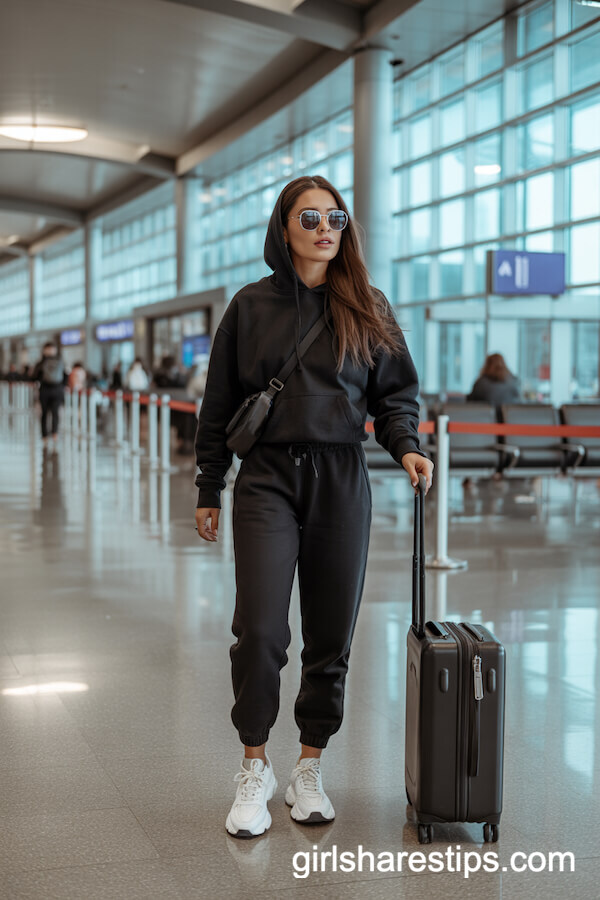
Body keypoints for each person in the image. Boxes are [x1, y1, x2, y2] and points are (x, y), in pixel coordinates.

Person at [194, 175, 434, 839]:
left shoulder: (368, 306)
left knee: (331, 635)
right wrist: (208, 486)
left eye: (336, 216)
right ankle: (253, 766)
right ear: (284, 227)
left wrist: (406, 446)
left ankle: (308, 765)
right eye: (310, 217)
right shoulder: (249, 306)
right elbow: (218, 406)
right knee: (263, 630)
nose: (326, 227)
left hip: (340, 478)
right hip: (267, 478)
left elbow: (394, 398)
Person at [32, 342, 66, 444]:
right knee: (50, 412)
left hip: (47, 390)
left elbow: (34, 377)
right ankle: (50, 434)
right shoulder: (58, 361)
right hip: (54, 390)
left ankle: (49, 434)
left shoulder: (43, 362)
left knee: (49, 413)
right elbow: (65, 377)